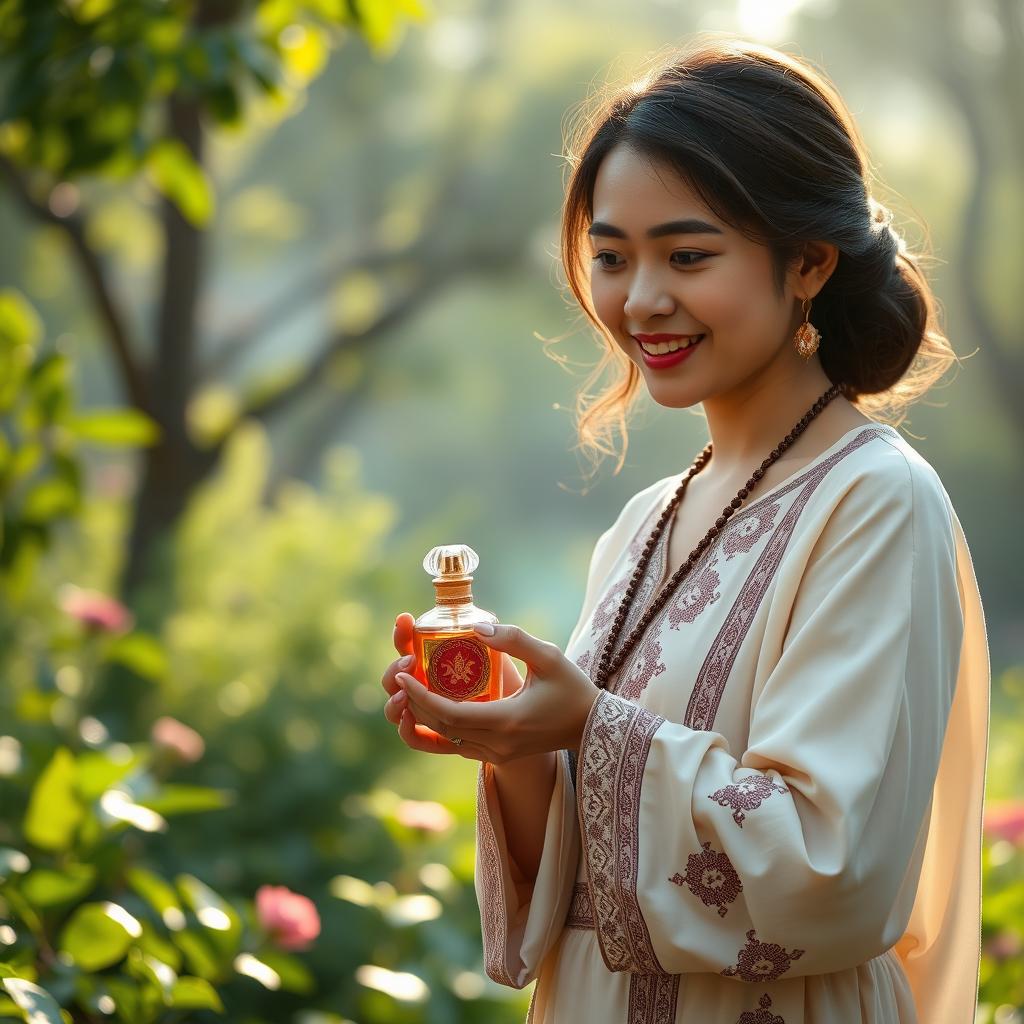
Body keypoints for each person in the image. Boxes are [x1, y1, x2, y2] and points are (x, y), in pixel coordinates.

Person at [380, 34, 990, 1024]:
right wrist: (512, 744)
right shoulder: (641, 524)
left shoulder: (874, 500)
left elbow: (830, 863)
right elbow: (583, 888)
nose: (641, 299)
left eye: (688, 254)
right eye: (612, 257)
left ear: (806, 262)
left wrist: (590, 725)